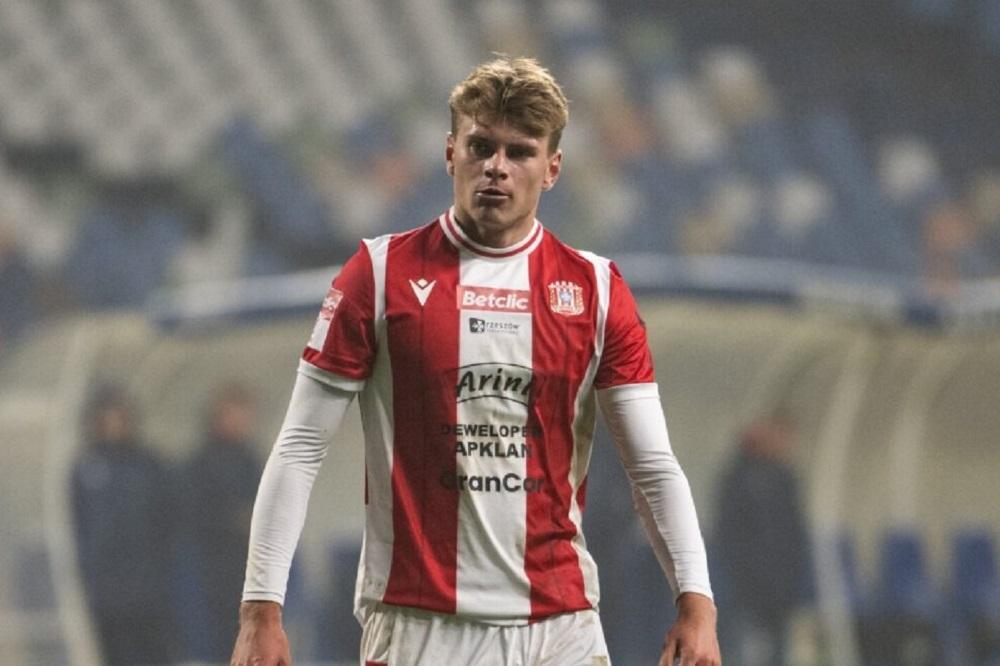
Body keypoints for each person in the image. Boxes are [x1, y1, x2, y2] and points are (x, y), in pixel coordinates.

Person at [231, 56, 720, 666]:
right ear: (450, 153)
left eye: (520, 152)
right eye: (481, 146)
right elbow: (300, 447)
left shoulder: (595, 291)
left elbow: (651, 466)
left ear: (553, 168)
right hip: (420, 627)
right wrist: (260, 610)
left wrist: (697, 602)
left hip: (560, 627)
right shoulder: (378, 276)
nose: (496, 166)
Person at [71, 384, 177, 665]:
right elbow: (80, 524)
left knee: (153, 650)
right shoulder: (86, 467)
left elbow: (166, 520)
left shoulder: (149, 465)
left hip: (148, 584)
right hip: (107, 589)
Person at [714, 412, 811, 666]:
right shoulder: (739, 478)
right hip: (747, 581)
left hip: (781, 581)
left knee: (777, 645)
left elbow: (794, 531)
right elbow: (729, 531)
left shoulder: (785, 478)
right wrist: (739, 571)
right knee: (747, 642)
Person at [179, 382, 263, 662]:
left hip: (251, 568)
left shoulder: (251, 460)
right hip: (214, 569)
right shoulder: (201, 463)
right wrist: (233, 520)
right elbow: (194, 514)